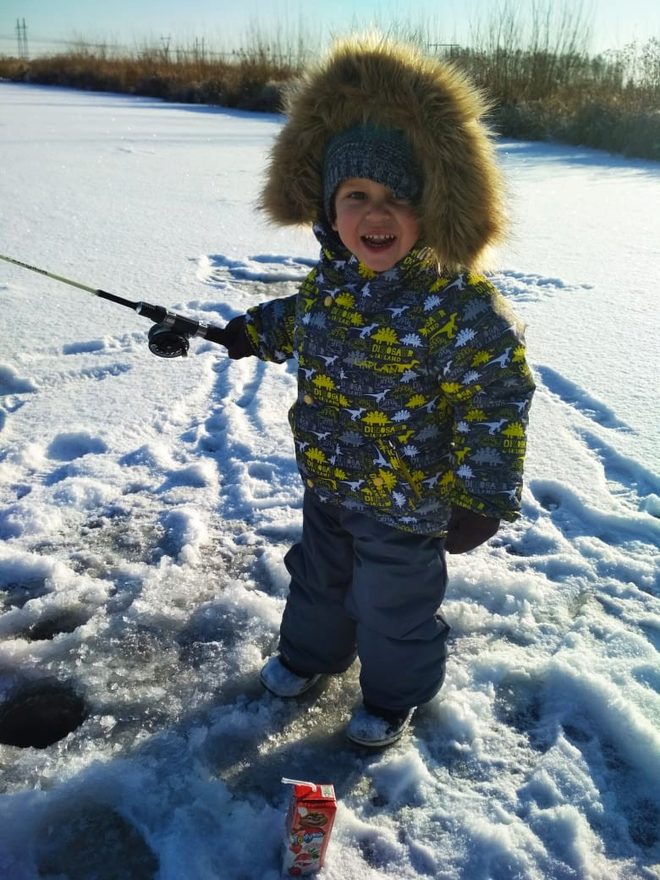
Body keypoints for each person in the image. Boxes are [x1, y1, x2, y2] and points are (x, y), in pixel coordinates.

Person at [218, 35, 535, 747]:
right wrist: (247, 332)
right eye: (357, 196)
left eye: (397, 197)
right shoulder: (332, 282)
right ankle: (308, 657)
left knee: (394, 608)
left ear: (431, 208)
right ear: (330, 211)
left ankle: (394, 697)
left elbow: (497, 402)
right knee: (318, 586)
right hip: (329, 483)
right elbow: (302, 321)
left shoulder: (462, 308)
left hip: (408, 503)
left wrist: (484, 496)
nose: (376, 215)